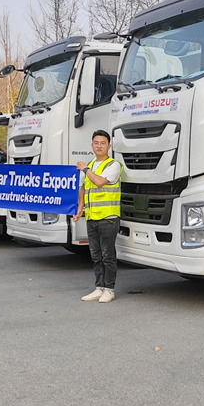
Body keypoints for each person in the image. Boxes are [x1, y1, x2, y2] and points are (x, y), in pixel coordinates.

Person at [73, 130, 122, 303]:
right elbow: (83, 188)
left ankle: (109, 289)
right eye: (96, 143)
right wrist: (80, 207)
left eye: (102, 143)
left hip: (109, 217)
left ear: (109, 146)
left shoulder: (113, 165)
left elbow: (99, 182)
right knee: (96, 255)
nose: (99, 146)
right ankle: (99, 288)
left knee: (108, 254)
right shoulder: (91, 164)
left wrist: (85, 169)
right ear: (92, 145)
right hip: (92, 217)